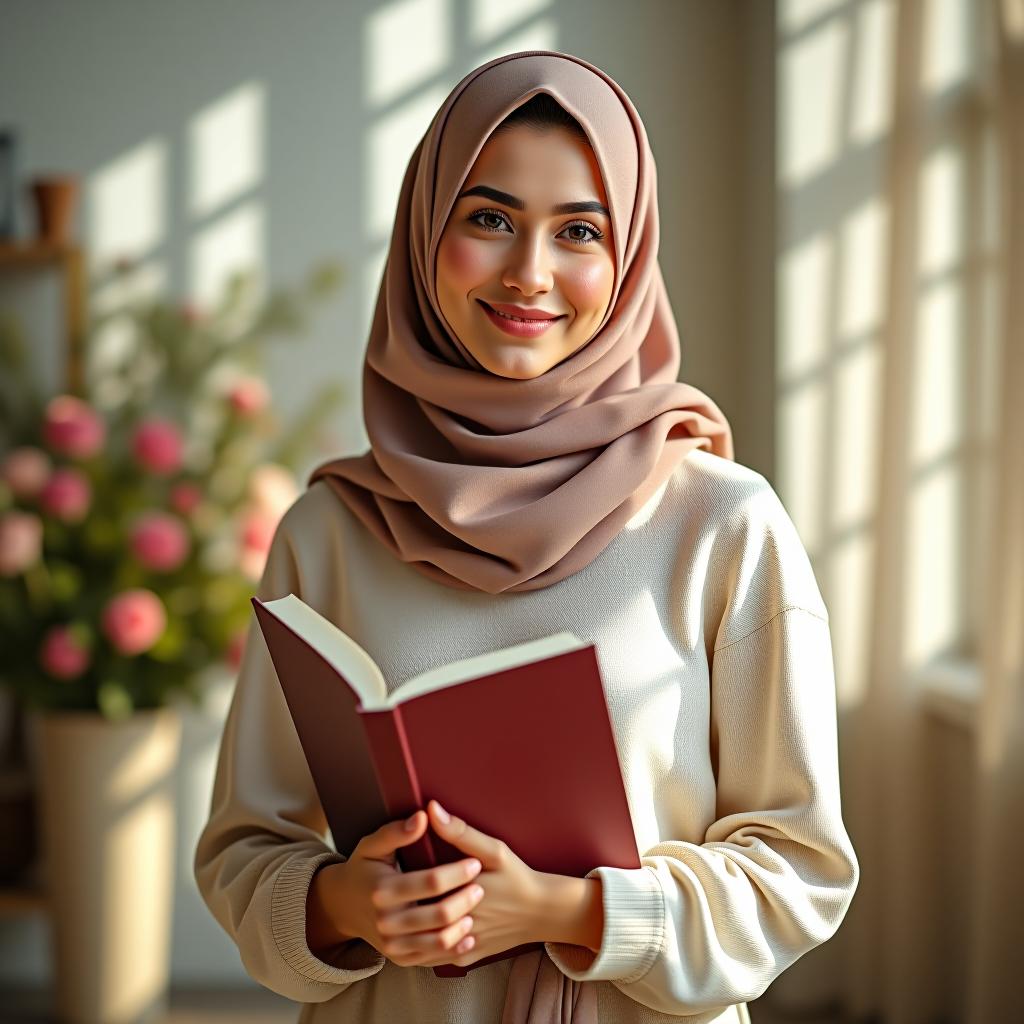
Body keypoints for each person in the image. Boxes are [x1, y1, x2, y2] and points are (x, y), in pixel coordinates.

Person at [194, 50, 860, 1024]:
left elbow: (799, 869)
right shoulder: (329, 532)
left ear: (628, 254)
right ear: (427, 232)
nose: (530, 274)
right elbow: (242, 851)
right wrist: (348, 902)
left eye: (579, 230)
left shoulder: (722, 523)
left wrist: (568, 911)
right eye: (489, 218)